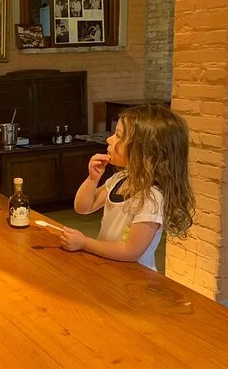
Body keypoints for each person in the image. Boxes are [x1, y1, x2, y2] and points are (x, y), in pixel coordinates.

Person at [60, 104, 195, 271]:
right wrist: (92, 179)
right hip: (109, 266)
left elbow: (131, 251)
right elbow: (83, 207)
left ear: (144, 149)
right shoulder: (121, 178)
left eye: (118, 135)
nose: (109, 140)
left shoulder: (151, 198)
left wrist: (85, 243)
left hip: (134, 276)